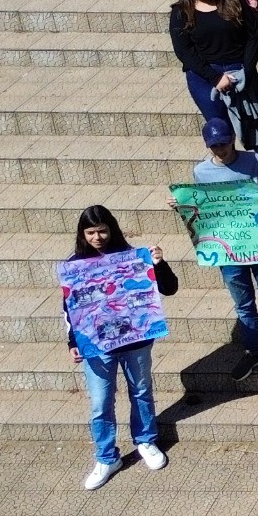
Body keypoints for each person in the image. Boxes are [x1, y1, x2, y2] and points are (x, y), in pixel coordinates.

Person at [64, 205, 178, 490]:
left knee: (141, 391)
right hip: (97, 346)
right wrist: (73, 342)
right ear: (82, 234)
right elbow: (69, 309)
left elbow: (169, 288)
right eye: (90, 232)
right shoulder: (75, 266)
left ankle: (146, 441)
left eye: (102, 230)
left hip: (136, 340)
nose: (97, 237)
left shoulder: (134, 257)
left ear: (112, 229)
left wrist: (159, 264)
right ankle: (106, 457)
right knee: (100, 402)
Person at [187, 119, 258, 375]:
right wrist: (183, 206)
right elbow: (201, 208)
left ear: (233, 139)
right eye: (214, 145)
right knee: (243, 304)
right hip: (228, 248)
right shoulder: (201, 172)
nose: (220, 149)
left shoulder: (252, 161)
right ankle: (255, 350)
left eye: (224, 143)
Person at [169, 0, 258, 150]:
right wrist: (215, 78)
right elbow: (184, 51)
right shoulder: (181, 12)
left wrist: (246, 70)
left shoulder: (232, 0)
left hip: (241, 71)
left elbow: (253, 35)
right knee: (221, 132)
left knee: (256, 128)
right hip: (205, 78)